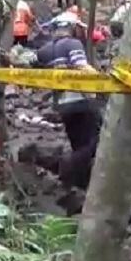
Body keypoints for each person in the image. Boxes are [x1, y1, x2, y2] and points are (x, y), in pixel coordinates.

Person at [36, 12, 102, 189]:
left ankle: (81, 183)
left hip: (61, 104)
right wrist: (103, 81)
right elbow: (81, 66)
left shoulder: (45, 51)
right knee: (96, 140)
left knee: (77, 143)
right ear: (71, 27)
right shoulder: (73, 44)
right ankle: (69, 171)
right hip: (80, 100)